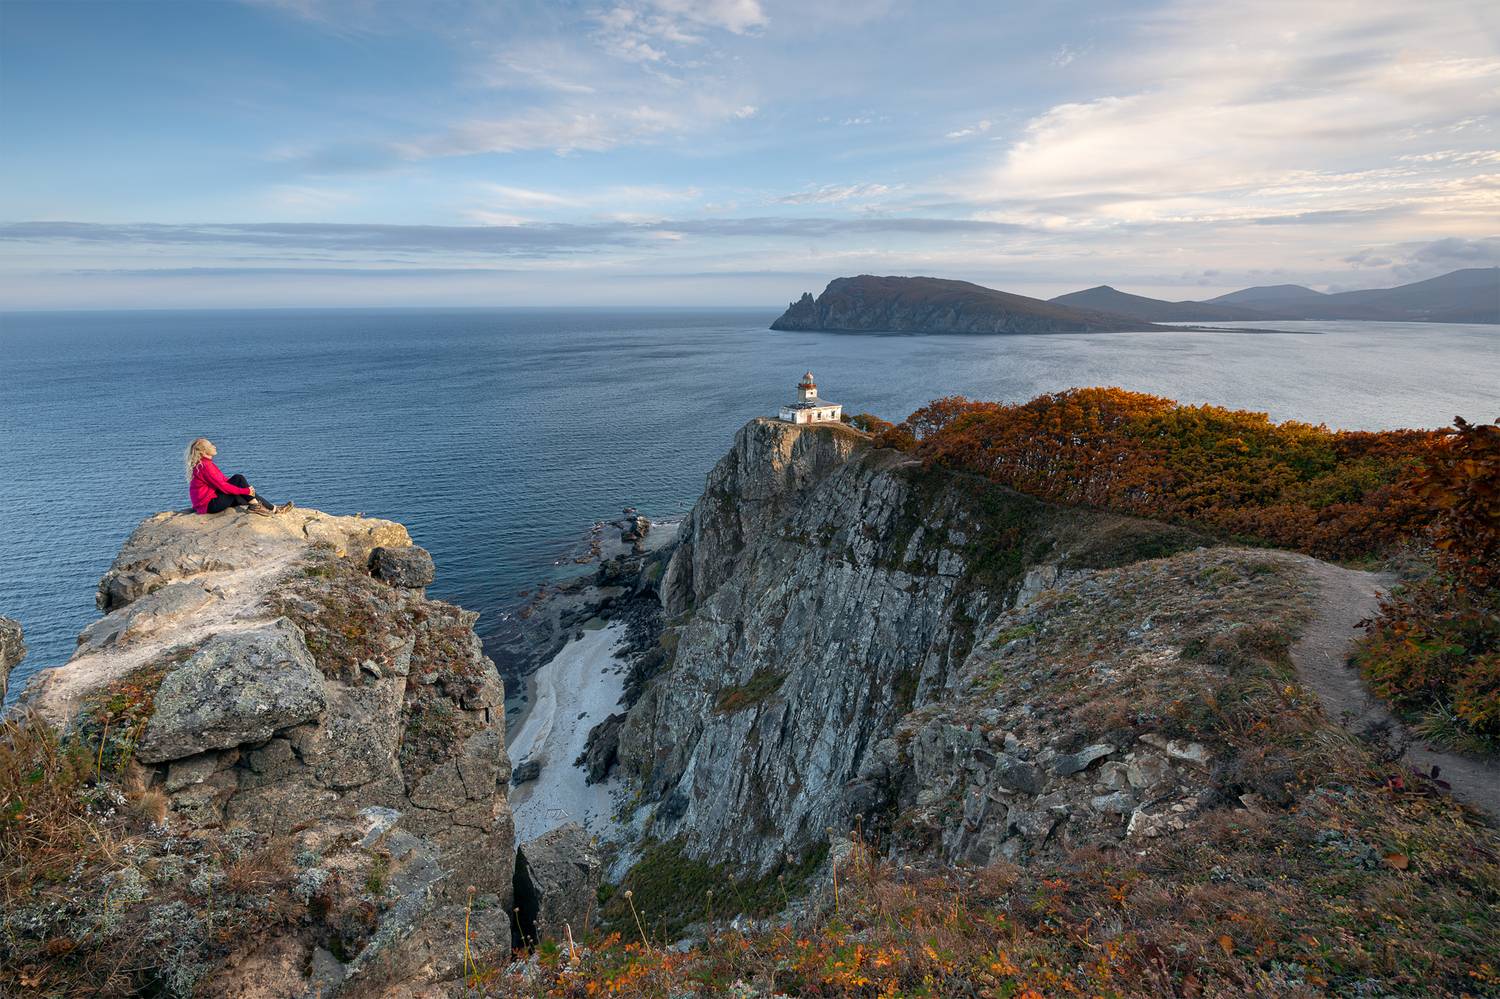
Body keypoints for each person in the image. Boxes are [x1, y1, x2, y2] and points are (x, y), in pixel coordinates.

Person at [185, 438, 291, 516]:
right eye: (211, 445)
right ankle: (258, 507)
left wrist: (245, 491)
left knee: (243, 493)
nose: (214, 446)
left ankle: (274, 509)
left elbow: (223, 480)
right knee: (239, 479)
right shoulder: (205, 466)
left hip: (211, 500)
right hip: (208, 505)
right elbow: (223, 486)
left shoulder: (205, 463)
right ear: (203, 452)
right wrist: (245, 491)